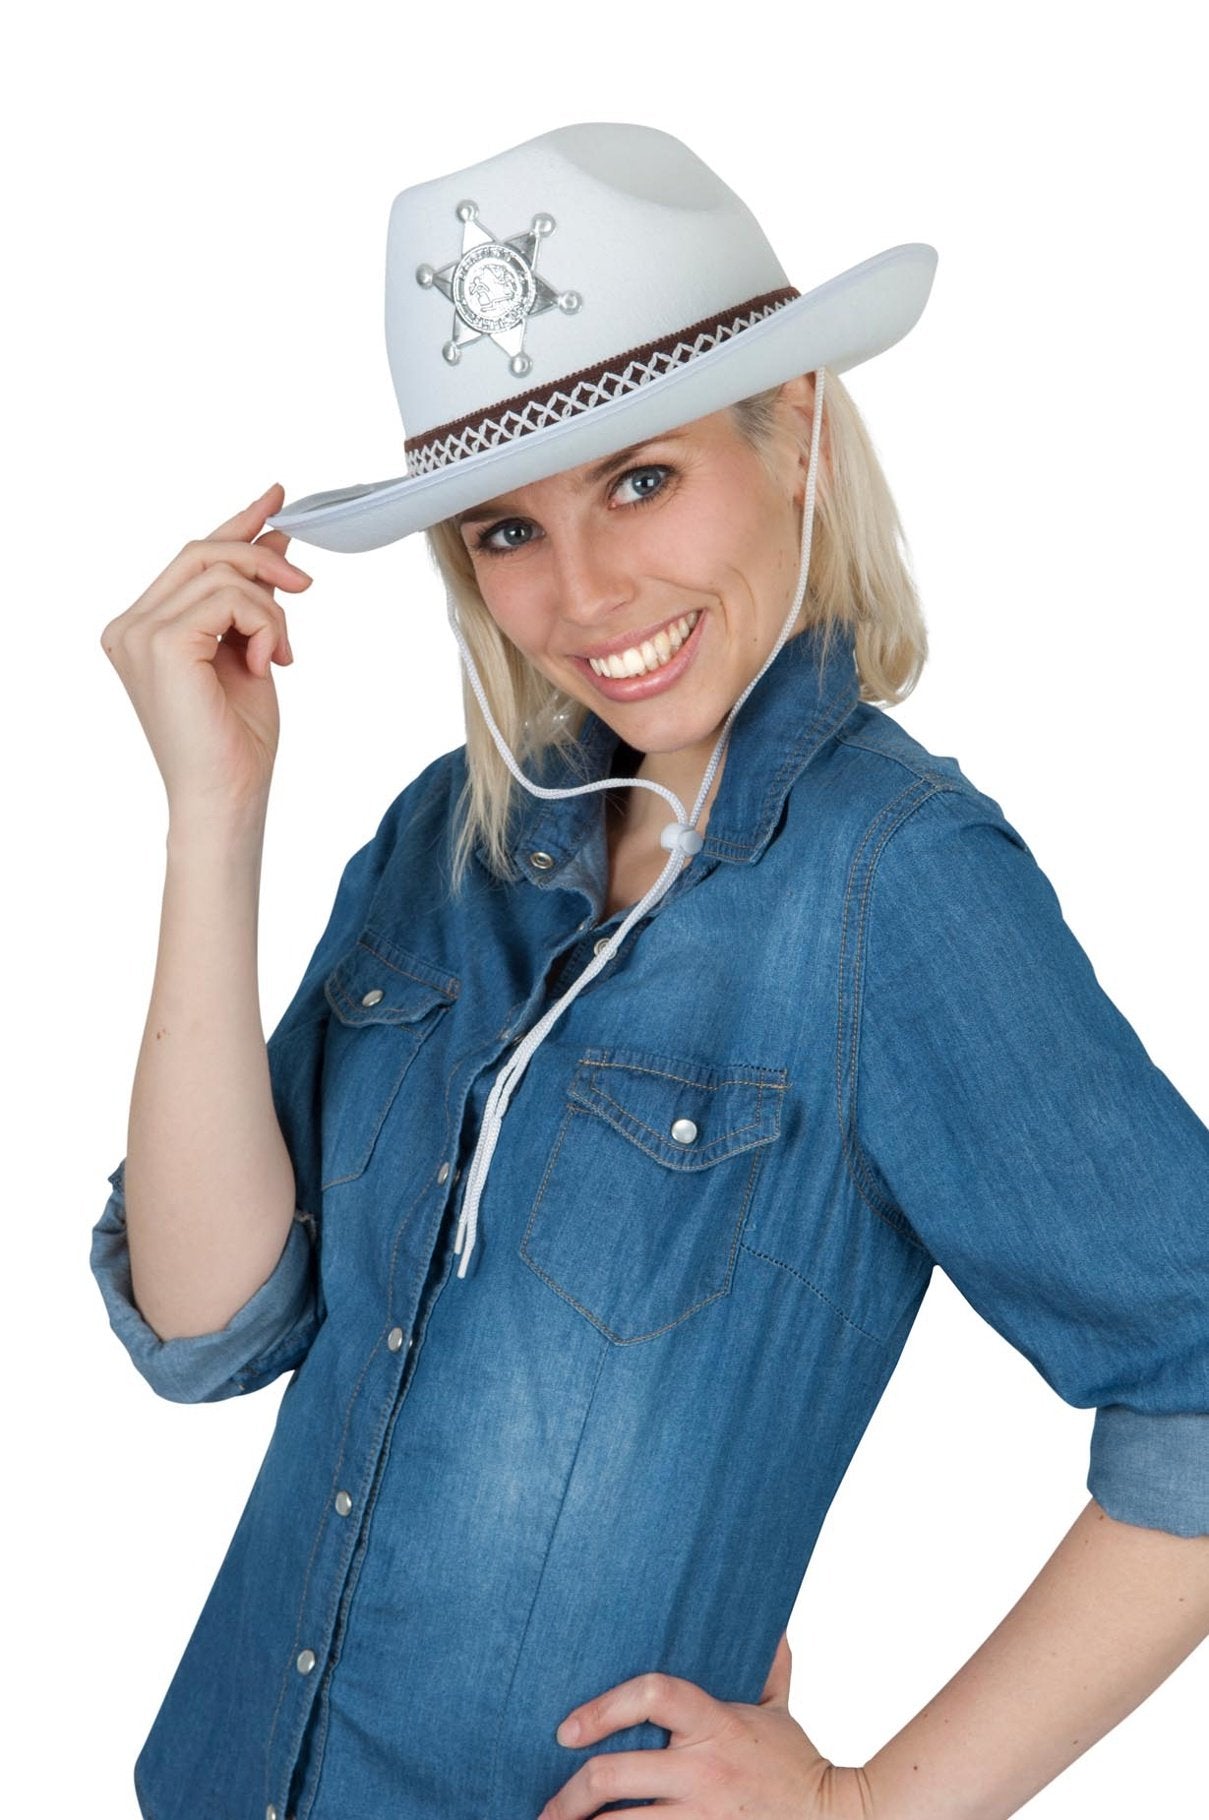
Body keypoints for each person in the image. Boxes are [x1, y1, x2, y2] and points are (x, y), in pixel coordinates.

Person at [92, 122, 1209, 1820]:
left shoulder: (893, 885)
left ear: (795, 435)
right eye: (501, 530)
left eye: (639, 477)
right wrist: (211, 816)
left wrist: (866, 1807)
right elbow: (207, 1326)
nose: (585, 592)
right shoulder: (445, 841)